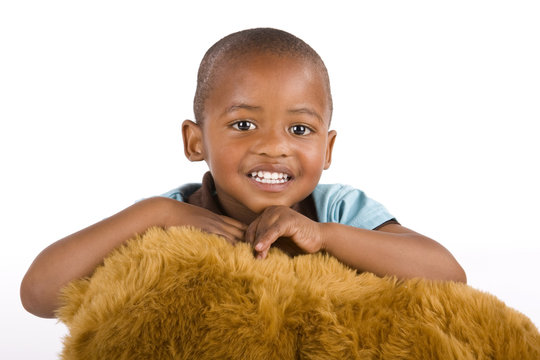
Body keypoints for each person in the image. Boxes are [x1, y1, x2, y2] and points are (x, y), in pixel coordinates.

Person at [21, 28, 466, 319]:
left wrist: (325, 236)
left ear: (327, 149)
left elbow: (448, 275)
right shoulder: (169, 217)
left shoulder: (338, 209)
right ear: (196, 142)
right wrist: (152, 213)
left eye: (299, 128)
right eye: (244, 125)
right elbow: (39, 293)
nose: (274, 146)